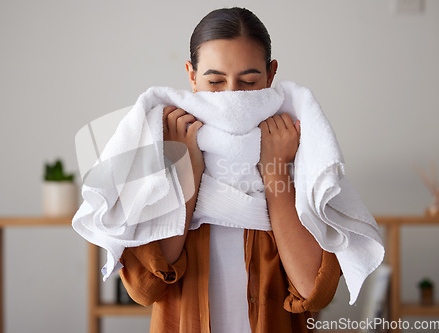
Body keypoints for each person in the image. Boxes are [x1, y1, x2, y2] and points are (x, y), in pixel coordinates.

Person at [119, 7, 341, 332]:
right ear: (191, 76)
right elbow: (144, 289)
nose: (233, 97)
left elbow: (313, 290)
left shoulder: (301, 149)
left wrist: (276, 171)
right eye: (215, 81)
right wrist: (188, 175)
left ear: (271, 75)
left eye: (249, 82)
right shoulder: (163, 146)